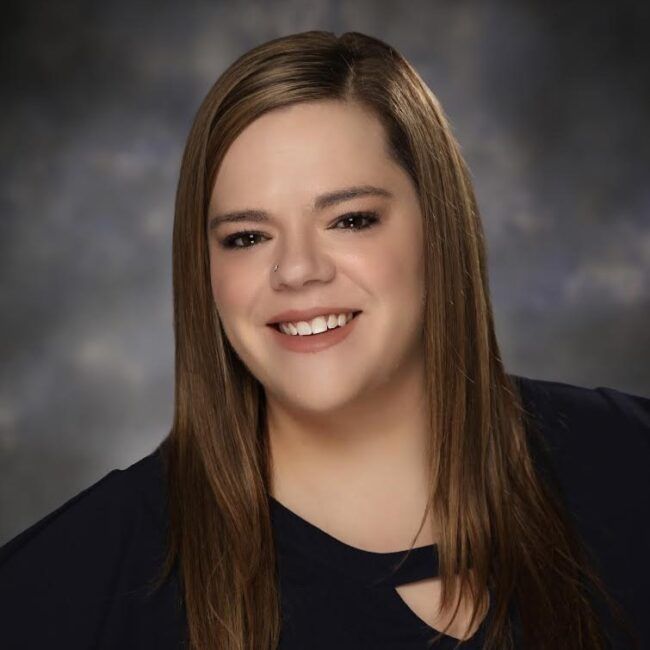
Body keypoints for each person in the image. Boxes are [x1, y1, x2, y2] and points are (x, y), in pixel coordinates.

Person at [0, 30, 648, 650]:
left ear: (438, 229)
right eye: (247, 237)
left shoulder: (626, 460)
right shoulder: (91, 572)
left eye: (351, 219)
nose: (298, 269)